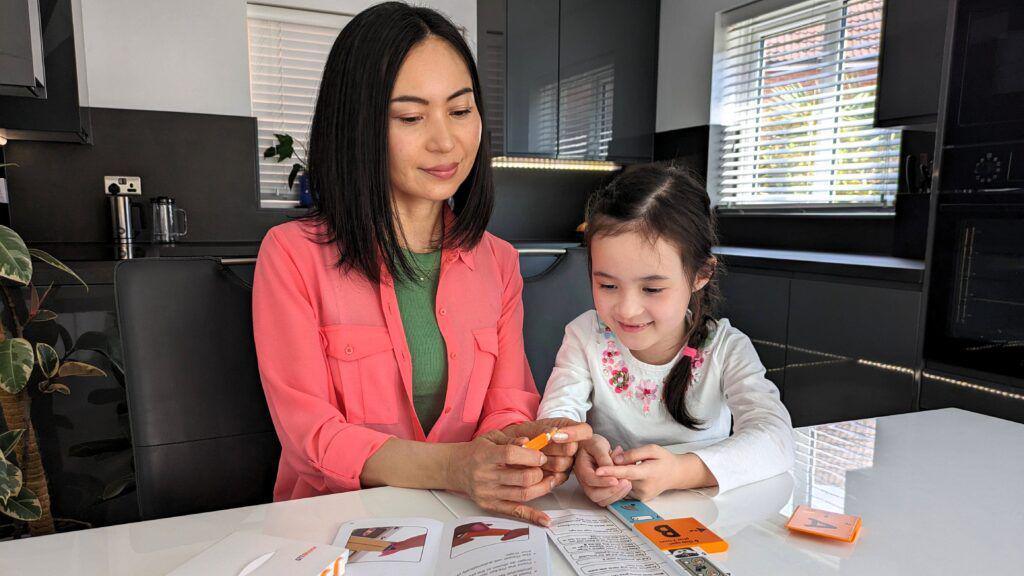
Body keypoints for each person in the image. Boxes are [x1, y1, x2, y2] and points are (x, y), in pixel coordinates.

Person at [253, 2, 588, 526]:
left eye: (460, 110)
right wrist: (455, 466)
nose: (446, 141)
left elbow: (507, 399)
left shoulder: (497, 262)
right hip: (338, 529)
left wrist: (518, 445)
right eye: (411, 117)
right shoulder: (292, 255)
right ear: (357, 126)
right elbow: (311, 436)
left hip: (468, 522)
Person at [537, 164, 794, 505]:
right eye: (608, 285)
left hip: (707, 517)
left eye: (653, 288)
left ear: (701, 274)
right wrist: (577, 450)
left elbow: (776, 437)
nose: (627, 309)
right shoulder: (585, 336)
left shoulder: (725, 349)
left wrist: (679, 472)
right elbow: (555, 420)